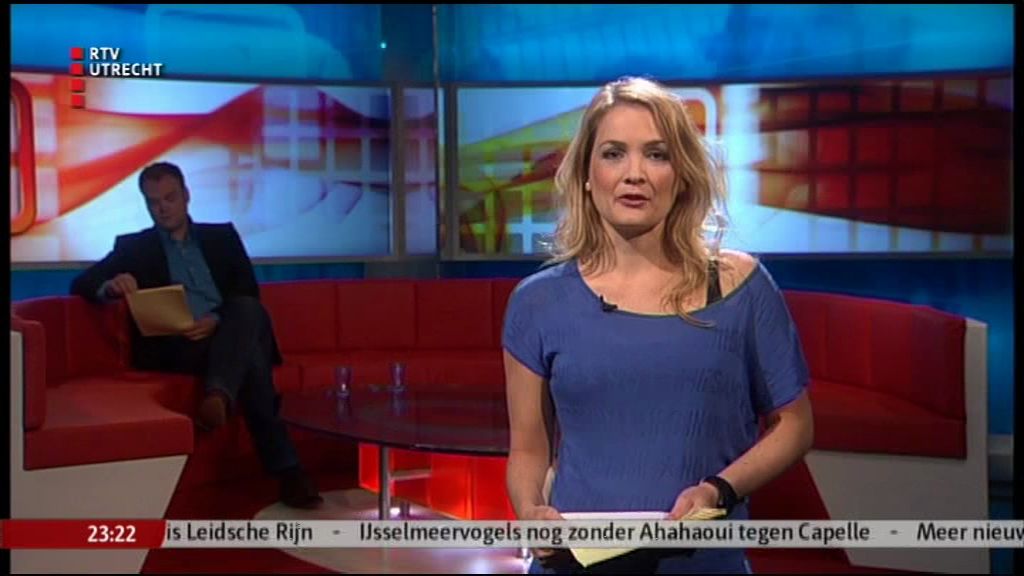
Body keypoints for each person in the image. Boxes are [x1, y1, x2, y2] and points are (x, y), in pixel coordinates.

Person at [502, 77, 814, 574]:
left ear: (682, 173)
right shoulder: (538, 302)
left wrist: (718, 490)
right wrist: (530, 512)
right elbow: (527, 448)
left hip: (701, 563)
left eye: (656, 154)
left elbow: (795, 426)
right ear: (586, 174)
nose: (635, 174)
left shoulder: (741, 288)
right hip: (575, 563)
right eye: (613, 154)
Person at [71, 161, 323, 510]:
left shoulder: (222, 237)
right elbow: (81, 284)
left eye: (170, 198)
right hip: (180, 346)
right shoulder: (134, 247)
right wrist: (110, 286)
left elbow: (248, 291)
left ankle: (219, 395)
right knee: (250, 359)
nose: (163, 208)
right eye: (154, 202)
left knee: (247, 312)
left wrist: (216, 320)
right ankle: (288, 471)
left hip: (226, 330)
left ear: (187, 196)